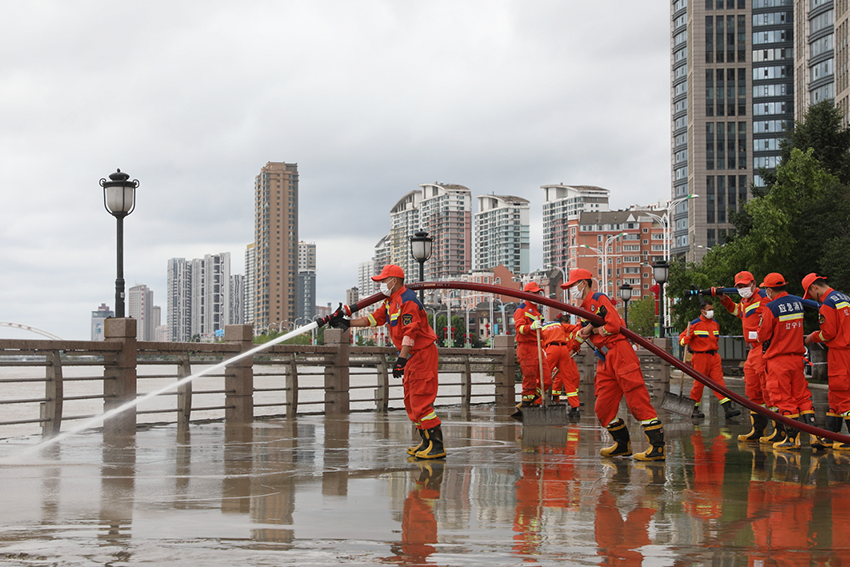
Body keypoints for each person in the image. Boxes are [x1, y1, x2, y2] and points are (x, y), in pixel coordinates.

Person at [319, 264, 445, 459]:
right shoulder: (390, 302)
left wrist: (401, 359)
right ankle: (425, 442)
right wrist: (347, 323)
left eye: (383, 281)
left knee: (421, 400)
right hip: (412, 357)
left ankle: (436, 446)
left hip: (421, 355)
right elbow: (373, 319)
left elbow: (410, 332)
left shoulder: (407, 301)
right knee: (411, 402)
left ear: (394, 281)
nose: (381, 285)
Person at [561, 268, 665, 461]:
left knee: (637, 401)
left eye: (572, 286)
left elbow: (614, 326)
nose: (571, 290)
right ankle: (622, 445)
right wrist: (582, 336)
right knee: (603, 407)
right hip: (605, 359)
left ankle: (657, 447)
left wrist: (595, 330)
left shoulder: (599, 299)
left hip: (620, 353)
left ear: (583, 283)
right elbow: (578, 334)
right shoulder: (582, 310)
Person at [756, 272, 815, 450]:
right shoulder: (797, 304)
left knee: (783, 398)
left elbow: (762, 335)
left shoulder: (771, 307)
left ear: (769, 289)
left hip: (778, 359)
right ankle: (815, 436)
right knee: (802, 396)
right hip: (797, 358)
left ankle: (791, 439)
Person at [718, 271, 776, 442]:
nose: (742, 289)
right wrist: (725, 300)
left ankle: (779, 431)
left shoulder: (764, 298)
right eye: (739, 287)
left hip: (763, 347)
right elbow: (738, 312)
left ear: (754, 283)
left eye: (745, 285)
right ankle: (758, 430)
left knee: (767, 389)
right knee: (752, 389)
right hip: (753, 349)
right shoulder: (745, 301)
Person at [803, 273, 850, 450]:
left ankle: (844, 439)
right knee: (836, 396)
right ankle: (832, 435)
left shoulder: (827, 304)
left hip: (840, 353)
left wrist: (813, 336)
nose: (813, 298)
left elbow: (828, 333)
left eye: (810, 294)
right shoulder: (844, 298)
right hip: (846, 351)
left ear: (814, 287)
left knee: (842, 394)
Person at [677, 298, 741, 420]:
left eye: (712, 309)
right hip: (700, 357)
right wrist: (685, 340)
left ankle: (728, 408)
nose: (711, 312)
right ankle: (694, 408)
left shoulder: (715, 323)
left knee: (719, 383)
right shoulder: (694, 324)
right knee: (699, 384)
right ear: (702, 311)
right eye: (709, 310)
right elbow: (682, 339)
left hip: (714, 356)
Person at [513, 282, 553, 408]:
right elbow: (519, 328)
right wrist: (530, 327)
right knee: (529, 378)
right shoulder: (521, 310)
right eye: (534, 292)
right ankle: (526, 406)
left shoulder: (536, 310)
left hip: (537, 346)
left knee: (546, 379)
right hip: (526, 347)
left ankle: (528, 403)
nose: (537, 295)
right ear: (527, 294)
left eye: (538, 292)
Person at [540, 314, 583, 417]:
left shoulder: (540, 329)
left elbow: (540, 346)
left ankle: (536, 402)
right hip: (564, 350)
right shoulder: (559, 324)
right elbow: (576, 328)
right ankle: (574, 407)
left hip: (552, 349)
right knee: (569, 378)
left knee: (544, 375)